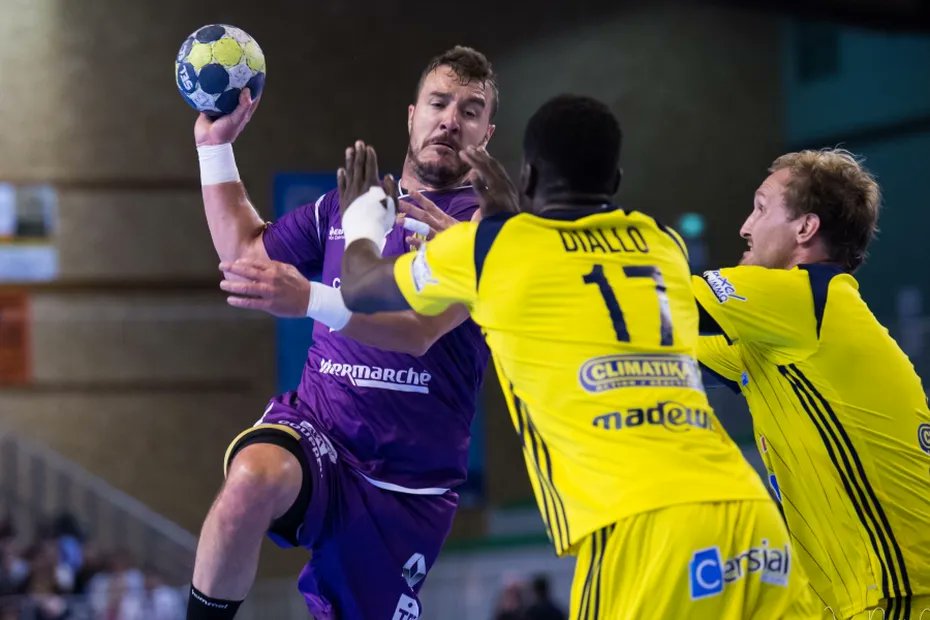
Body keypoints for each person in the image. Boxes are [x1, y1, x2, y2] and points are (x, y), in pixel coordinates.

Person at [335, 95, 818, 618]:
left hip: (643, 529)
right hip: (753, 520)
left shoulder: (491, 251)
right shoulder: (664, 245)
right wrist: (506, 220)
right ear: (614, 180)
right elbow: (572, 267)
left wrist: (362, 216)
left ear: (531, 174)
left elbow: (361, 287)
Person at [187, 46, 498, 620]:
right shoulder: (350, 204)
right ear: (411, 116)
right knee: (250, 482)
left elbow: (417, 334)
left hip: (405, 486)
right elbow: (245, 254)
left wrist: (307, 298)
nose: (450, 119)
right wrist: (216, 150)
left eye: (470, 110)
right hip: (319, 430)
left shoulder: (489, 229)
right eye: (438, 103)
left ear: (487, 132)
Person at [693, 149, 930, 619]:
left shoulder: (808, 298)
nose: (744, 226)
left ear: (805, 228)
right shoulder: (778, 330)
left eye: (760, 208)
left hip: (900, 595)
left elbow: (653, 302)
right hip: (860, 600)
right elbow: (652, 345)